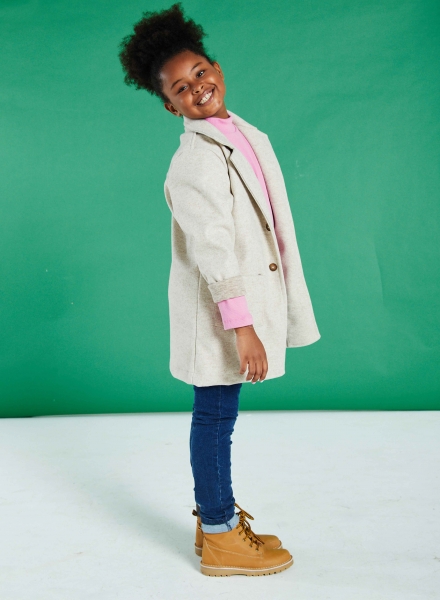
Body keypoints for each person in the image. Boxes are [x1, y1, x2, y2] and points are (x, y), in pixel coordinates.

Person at [118, 2, 321, 577]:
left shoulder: (241, 133)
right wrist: (244, 326)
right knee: (213, 417)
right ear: (170, 105)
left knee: (217, 415)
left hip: (236, 309)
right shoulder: (195, 161)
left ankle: (217, 522)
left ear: (217, 68)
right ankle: (219, 532)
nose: (197, 88)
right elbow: (213, 249)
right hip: (222, 315)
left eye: (200, 72)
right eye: (181, 88)